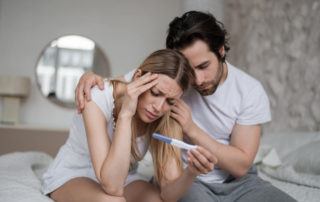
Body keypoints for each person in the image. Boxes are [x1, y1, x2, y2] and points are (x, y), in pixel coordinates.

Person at [75, 11, 297, 202]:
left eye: (204, 66)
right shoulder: (171, 81)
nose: (197, 80)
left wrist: (192, 129)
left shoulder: (249, 90)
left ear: (220, 51)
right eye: (190, 71)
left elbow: (241, 166)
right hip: (187, 180)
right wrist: (89, 77)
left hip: (238, 181)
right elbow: (122, 87)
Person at [42, 49, 217, 202]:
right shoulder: (98, 97)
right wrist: (126, 114)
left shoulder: (167, 115)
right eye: (155, 93)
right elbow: (113, 188)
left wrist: (191, 172)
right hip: (75, 173)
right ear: (138, 77)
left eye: (170, 101)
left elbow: (169, 195)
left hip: (123, 176)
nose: (158, 107)